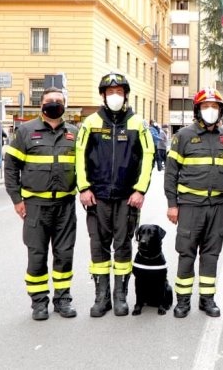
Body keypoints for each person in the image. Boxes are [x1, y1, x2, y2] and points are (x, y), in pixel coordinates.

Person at [76, 73, 154, 317]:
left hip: (126, 197)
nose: (115, 96)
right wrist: (84, 187)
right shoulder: (90, 123)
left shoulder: (138, 124)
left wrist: (140, 190)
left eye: (119, 92)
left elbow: (148, 156)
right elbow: (79, 155)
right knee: (98, 247)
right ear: (102, 95)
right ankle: (101, 297)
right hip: (97, 197)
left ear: (126, 95)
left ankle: (120, 296)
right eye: (110, 93)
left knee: (122, 247)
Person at [4, 87, 79, 320]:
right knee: (37, 256)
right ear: (41, 105)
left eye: (59, 101)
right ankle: (38, 302)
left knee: (64, 254)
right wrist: (17, 200)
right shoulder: (25, 131)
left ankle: (63, 299)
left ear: (64, 105)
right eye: (50, 100)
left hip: (65, 205)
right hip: (35, 206)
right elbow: (10, 168)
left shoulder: (74, 133)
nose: (54, 104)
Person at [165, 87, 223, 318]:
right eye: (205, 106)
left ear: (220, 110)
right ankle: (183, 301)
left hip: (217, 206)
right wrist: (172, 204)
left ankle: (207, 300)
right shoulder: (183, 136)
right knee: (187, 253)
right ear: (198, 110)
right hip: (190, 205)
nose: (210, 110)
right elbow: (171, 173)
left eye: (214, 106)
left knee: (211, 253)